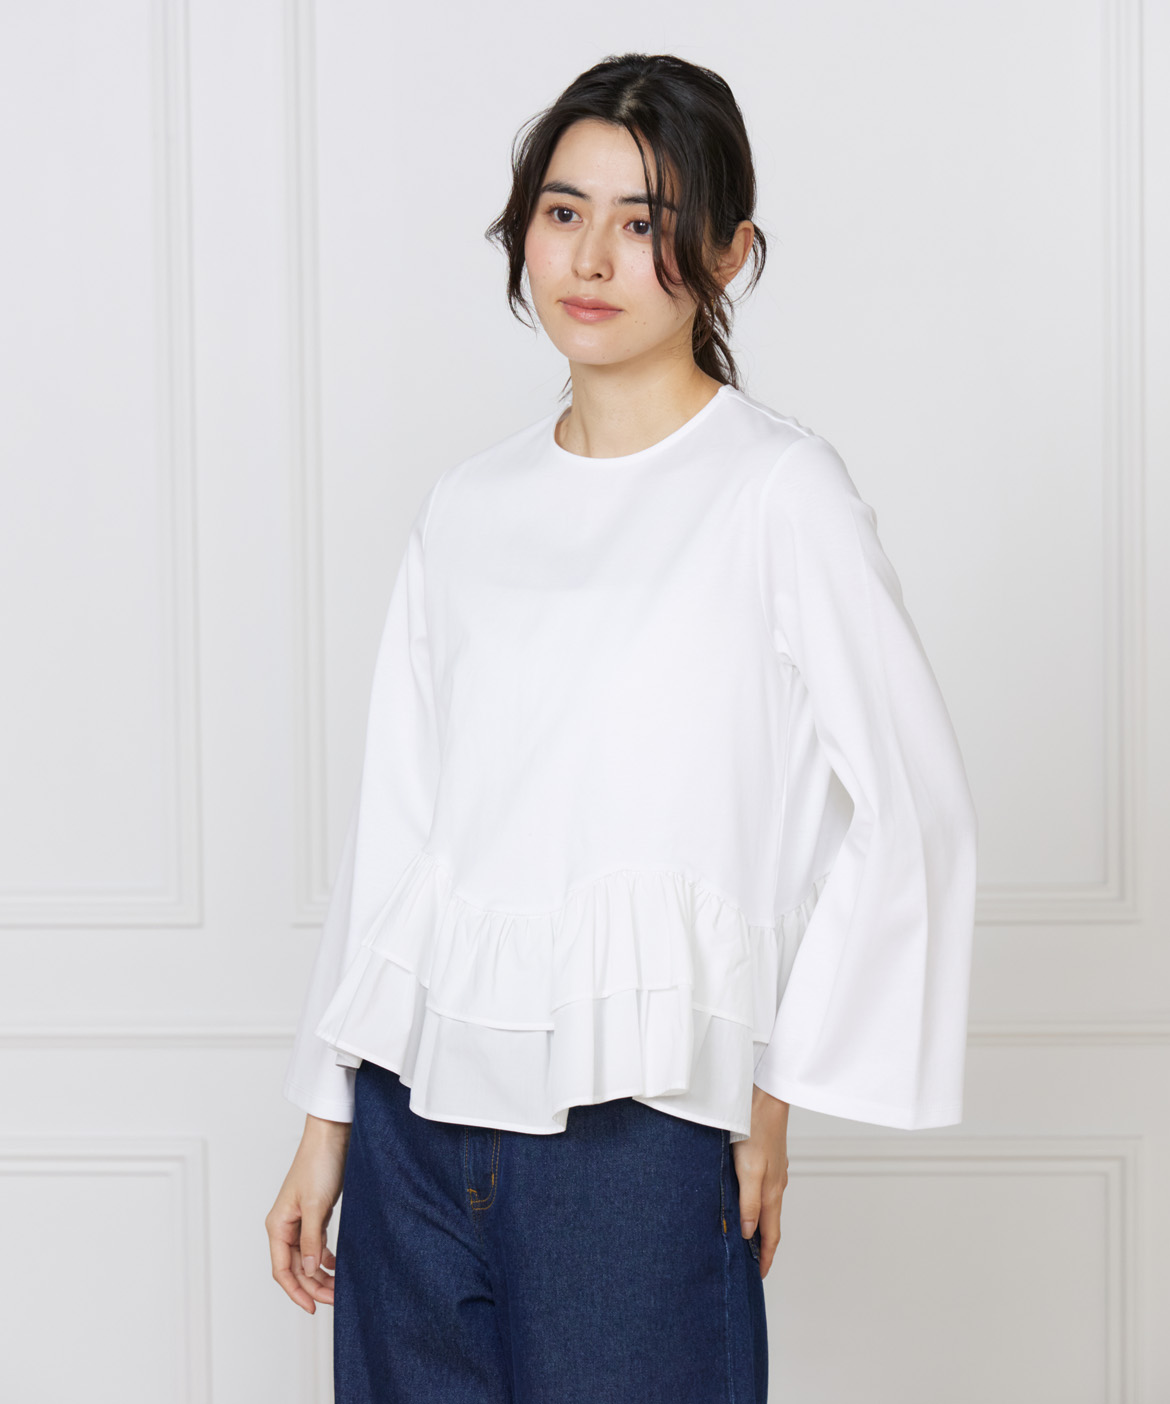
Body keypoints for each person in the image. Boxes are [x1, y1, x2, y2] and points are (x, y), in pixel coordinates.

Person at [265, 51, 978, 1404]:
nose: (592, 259)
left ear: (727, 251)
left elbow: (913, 806)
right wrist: (325, 1113)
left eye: (644, 222)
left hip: (639, 1135)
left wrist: (774, 1094)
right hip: (414, 1125)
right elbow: (400, 829)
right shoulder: (467, 507)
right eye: (562, 211)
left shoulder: (778, 493)